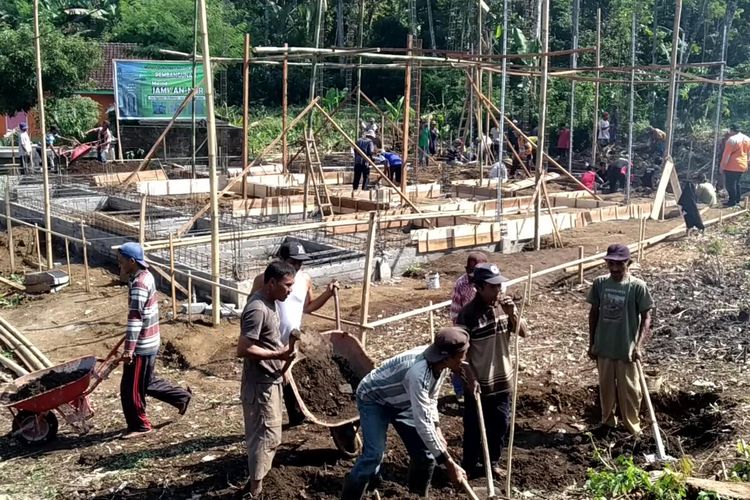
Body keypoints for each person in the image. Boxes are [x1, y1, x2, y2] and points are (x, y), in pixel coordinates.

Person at [339, 327, 470, 499]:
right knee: (373, 455)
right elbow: (423, 424)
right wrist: (450, 465)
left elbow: (431, 398)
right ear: (447, 357)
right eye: (462, 356)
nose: (464, 360)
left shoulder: (442, 366)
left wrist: (437, 427)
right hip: (374, 399)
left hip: (404, 400)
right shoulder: (418, 373)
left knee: (426, 454)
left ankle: (415, 496)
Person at [249, 241, 338, 425]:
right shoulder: (265, 280)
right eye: (293, 262)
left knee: (293, 379)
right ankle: (266, 424)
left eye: (300, 262)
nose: (297, 266)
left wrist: (327, 294)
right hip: (270, 343)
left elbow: (308, 307)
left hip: (293, 341)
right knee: (272, 384)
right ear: (281, 260)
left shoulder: (304, 279)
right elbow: (253, 306)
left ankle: (297, 417)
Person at [456, 263, 527, 478]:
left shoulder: (504, 308)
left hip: (503, 379)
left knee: (500, 424)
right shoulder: (468, 315)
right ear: (478, 287)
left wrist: (513, 313)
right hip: (479, 381)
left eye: (499, 286)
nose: (498, 291)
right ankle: (468, 465)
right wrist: (470, 378)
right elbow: (462, 353)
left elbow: (523, 332)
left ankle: (493, 462)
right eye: (493, 287)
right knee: (474, 427)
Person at [117, 242, 192, 439]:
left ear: (132, 261)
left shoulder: (139, 284)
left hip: (142, 345)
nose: (120, 264)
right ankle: (181, 397)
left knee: (130, 389)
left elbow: (135, 318)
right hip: (150, 340)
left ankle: (140, 425)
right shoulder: (145, 276)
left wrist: (129, 349)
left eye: (122, 260)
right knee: (146, 382)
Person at [238, 261, 298, 498]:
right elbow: (243, 348)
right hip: (260, 383)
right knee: (265, 436)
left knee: (271, 435)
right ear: (271, 283)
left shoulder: (272, 301)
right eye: (287, 285)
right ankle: (255, 492)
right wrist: (278, 355)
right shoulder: (257, 309)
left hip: (270, 378)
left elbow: (266, 341)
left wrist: (282, 366)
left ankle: (257, 484)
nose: (291, 290)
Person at [587, 244, 653, 436]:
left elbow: (647, 317)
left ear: (628, 263)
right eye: (611, 264)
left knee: (630, 391)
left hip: (627, 350)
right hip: (605, 347)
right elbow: (593, 313)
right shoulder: (600, 284)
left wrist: (638, 346)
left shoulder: (637, 287)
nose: (615, 269)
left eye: (619, 264)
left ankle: (633, 427)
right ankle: (607, 423)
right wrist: (592, 343)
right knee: (606, 390)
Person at [449, 252, 488, 403]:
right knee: (461, 359)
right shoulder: (461, 284)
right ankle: (460, 391)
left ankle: (483, 387)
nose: (471, 274)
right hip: (466, 328)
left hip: (485, 328)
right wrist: (460, 332)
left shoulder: (491, 282)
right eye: (469, 270)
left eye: (475, 271)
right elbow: (455, 311)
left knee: (482, 360)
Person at [720, 124, 750, 207]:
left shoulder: (731, 140)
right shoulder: (747, 139)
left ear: (732, 130)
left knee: (730, 184)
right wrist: (747, 163)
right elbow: (748, 153)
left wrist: (722, 166)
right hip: (742, 164)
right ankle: (737, 199)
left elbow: (726, 155)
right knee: (737, 182)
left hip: (732, 165)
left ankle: (732, 201)